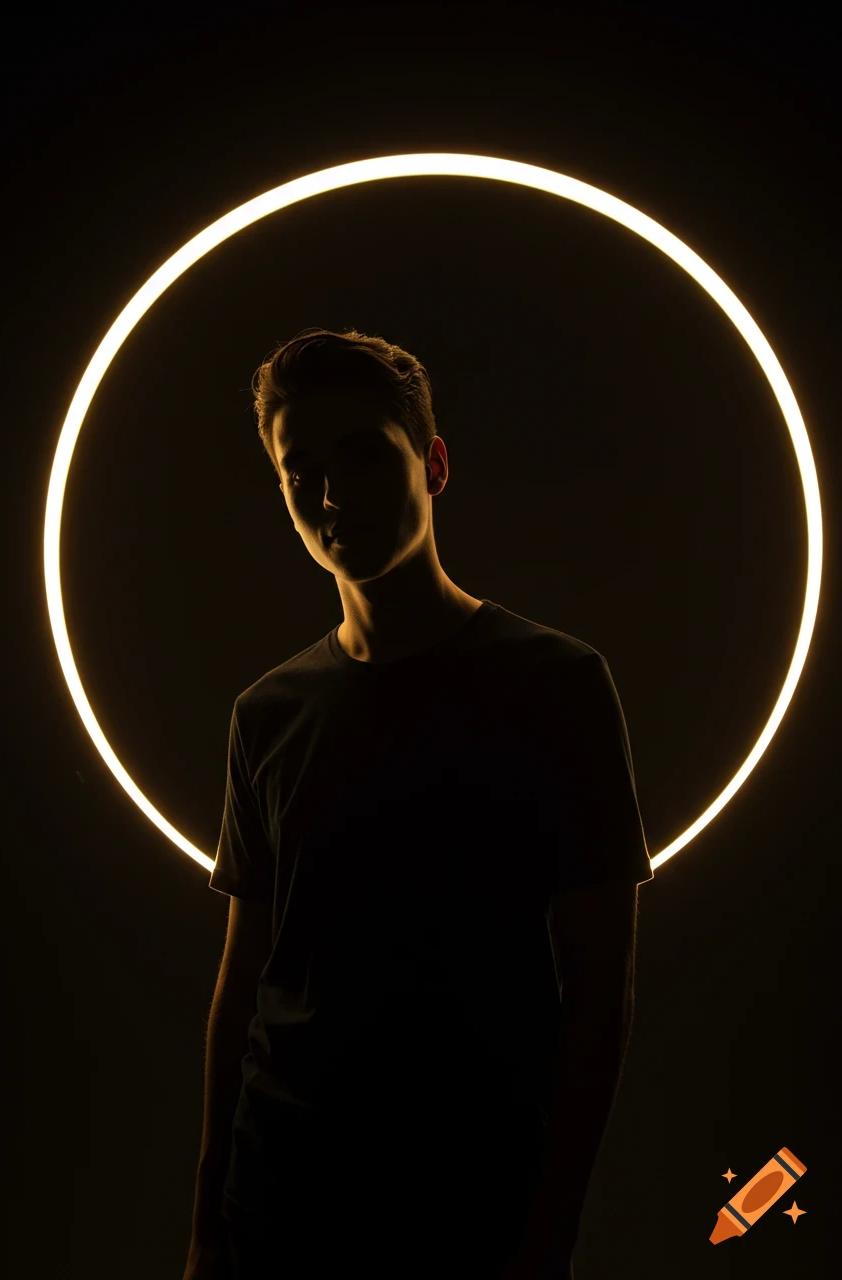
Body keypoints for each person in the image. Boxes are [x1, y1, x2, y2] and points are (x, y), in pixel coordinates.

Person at [183, 327, 654, 1279]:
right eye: (300, 470)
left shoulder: (557, 685)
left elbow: (600, 989)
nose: (330, 494)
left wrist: (549, 1240)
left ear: (434, 464)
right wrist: (205, 1231)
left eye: (364, 454)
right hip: (279, 1202)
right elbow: (244, 985)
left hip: (471, 1205)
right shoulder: (265, 714)